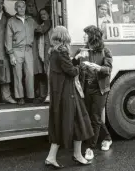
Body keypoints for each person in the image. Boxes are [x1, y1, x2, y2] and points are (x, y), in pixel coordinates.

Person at [45, 26, 94, 168]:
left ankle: (51, 157)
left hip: (60, 93)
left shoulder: (53, 51)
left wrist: (75, 59)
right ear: (65, 36)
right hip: (68, 94)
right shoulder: (62, 51)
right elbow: (71, 72)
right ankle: (77, 155)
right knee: (79, 123)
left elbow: (64, 67)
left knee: (60, 125)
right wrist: (82, 66)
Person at [73, 25, 113, 160]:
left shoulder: (105, 51)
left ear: (93, 36)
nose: (84, 36)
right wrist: (76, 58)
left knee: (95, 118)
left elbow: (108, 69)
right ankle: (107, 138)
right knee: (91, 116)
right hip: (85, 89)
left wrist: (98, 68)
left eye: (86, 34)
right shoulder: (82, 50)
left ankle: (90, 148)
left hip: (100, 89)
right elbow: (72, 65)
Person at [5, 0, 42, 105]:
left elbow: (40, 29)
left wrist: (48, 21)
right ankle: (20, 97)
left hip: (28, 50)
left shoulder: (31, 20)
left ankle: (30, 96)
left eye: (23, 7)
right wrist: (11, 54)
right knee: (18, 75)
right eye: (19, 7)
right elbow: (8, 38)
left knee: (30, 74)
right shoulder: (11, 21)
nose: (21, 9)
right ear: (15, 9)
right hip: (16, 50)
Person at [0, 0, 16, 104]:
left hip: (5, 49)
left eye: (1, 3)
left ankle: (7, 96)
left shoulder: (8, 17)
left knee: (6, 74)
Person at [35, 8, 52, 102]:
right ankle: (43, 94)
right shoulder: (43, 24)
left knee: (48, 74)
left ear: (49, 14)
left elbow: (41, 30)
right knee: (43, 74)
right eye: (41, 15)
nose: (43, 16)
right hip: (42, 52)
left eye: (44, 14)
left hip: (48, 52)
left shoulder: (49, 23)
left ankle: (48, 95)